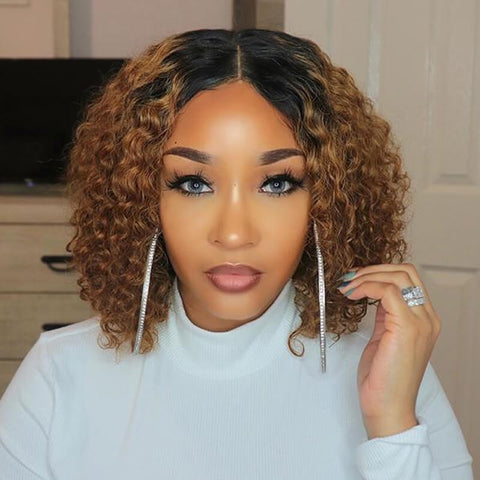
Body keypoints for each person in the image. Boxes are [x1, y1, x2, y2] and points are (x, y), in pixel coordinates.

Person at [0, 28, 474, 479]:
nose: (233, 234)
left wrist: (391, 425)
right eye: (193, 183)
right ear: (142, 200)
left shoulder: (393, 372)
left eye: (278, 183)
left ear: (329, 201)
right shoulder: (60, 375)